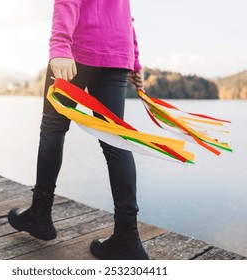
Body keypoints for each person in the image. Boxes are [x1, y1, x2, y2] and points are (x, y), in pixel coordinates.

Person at [8, 0, 149, 260]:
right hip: (117, 52)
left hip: (79, 49)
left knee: (53, 128)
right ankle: (127, 238)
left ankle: (40, 214)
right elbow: (124, 14)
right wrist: (135, 59)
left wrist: (60, 45)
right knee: (116, 141)